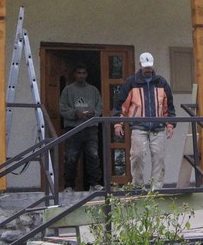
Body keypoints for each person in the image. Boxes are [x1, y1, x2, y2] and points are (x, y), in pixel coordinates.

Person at [113, 52, 176, 189]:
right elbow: (121, 105)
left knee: (159, 158)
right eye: (145, 66)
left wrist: (170, 124)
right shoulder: (131, 82)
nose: (148, 69)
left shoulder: (161, 82)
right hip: (138, 126)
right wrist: (118, 123)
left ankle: (156, 188)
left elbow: (168, 106)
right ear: (140, 65)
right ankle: (138, 186)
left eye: (150, 66)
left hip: (158, 126)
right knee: (137, 156)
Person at [59, 64, 104, 192]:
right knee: (71, 157)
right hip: (73, 128)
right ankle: (69, 186)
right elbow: (62, 108)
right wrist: (75, 113)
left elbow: (100, 107)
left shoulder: (93, 90)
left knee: (93, 155)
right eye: (79, 73)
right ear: (75, 74)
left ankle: (94, 184)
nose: (81, 75)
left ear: (86, 74)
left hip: (90, 128)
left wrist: (93, 113)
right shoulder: (68, 90)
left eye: (83, 73)